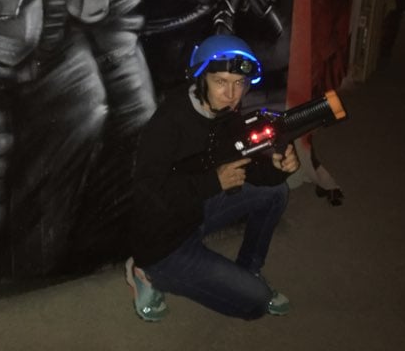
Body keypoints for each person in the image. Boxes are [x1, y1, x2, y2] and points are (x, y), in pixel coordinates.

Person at [126, 34, 299, 321]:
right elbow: (147, 197)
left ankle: (249, 268)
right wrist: (214, 182)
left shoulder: (226, 114)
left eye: (239, 83)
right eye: (221, 82)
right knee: (256, 303)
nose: (231, 94)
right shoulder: (168, 123)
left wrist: (277, 168)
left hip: (195, 211)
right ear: (201, 79)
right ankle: (146, 274)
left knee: (275, 191)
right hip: (163, 244)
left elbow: (248, 169)